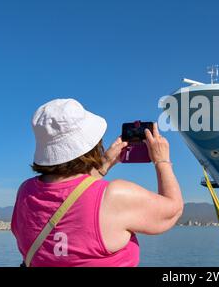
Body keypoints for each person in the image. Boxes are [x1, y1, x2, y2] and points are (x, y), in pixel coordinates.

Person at [11, 99, 183, 267]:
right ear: (92, 144)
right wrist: (162, 161)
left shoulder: (26, 192)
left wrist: (104, 164)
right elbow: (173, 211)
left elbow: (72, 195)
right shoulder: (114, 196)